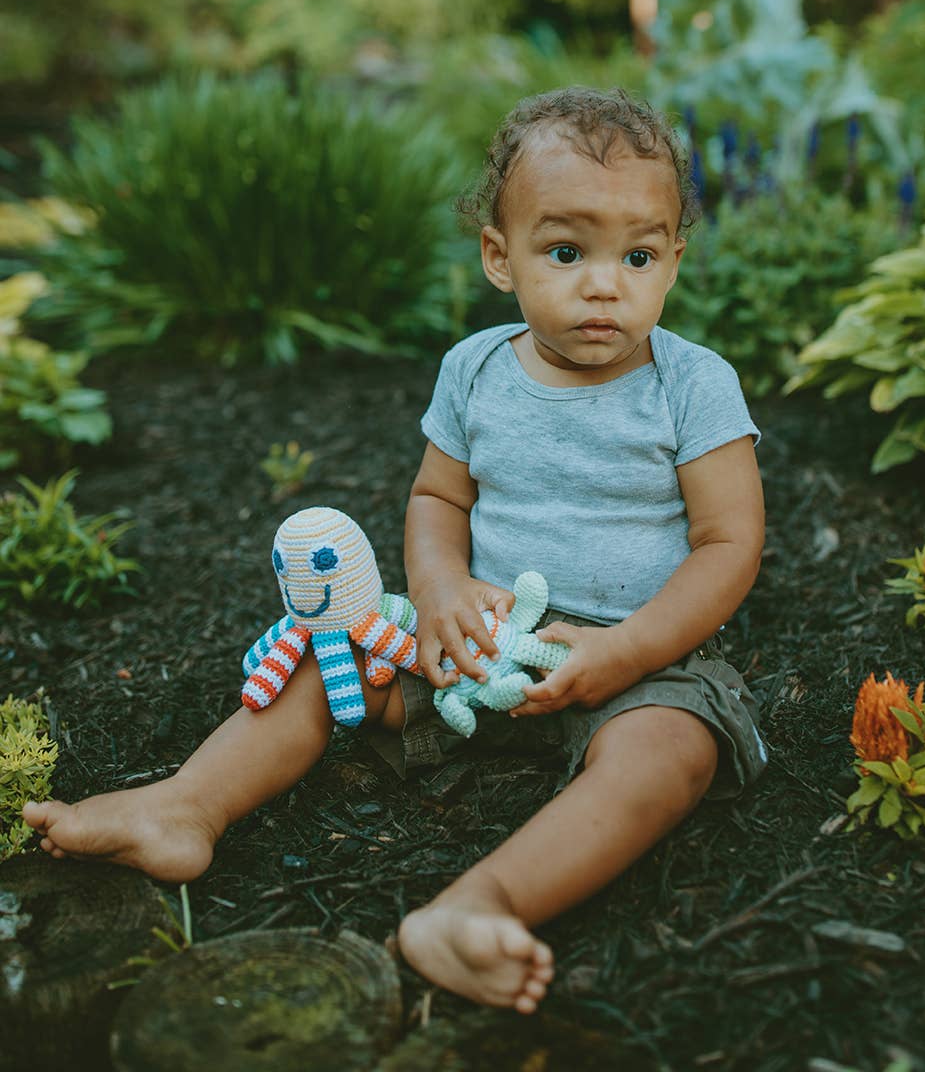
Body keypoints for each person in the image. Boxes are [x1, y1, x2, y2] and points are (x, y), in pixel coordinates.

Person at [24, 86, 766, 1015]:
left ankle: (478, 907)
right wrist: (441, 583)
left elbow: (729, 544)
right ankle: (185, 805)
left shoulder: (692, 386)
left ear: (674, 261)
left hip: (632, 657)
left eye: (640, 254)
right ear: (501, 257)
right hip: (474, 644)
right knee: (325, 649)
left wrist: (629, 650)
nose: (604, 283)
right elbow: (437, 495)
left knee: (670, 752)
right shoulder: (477, 372)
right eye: (566, 251)